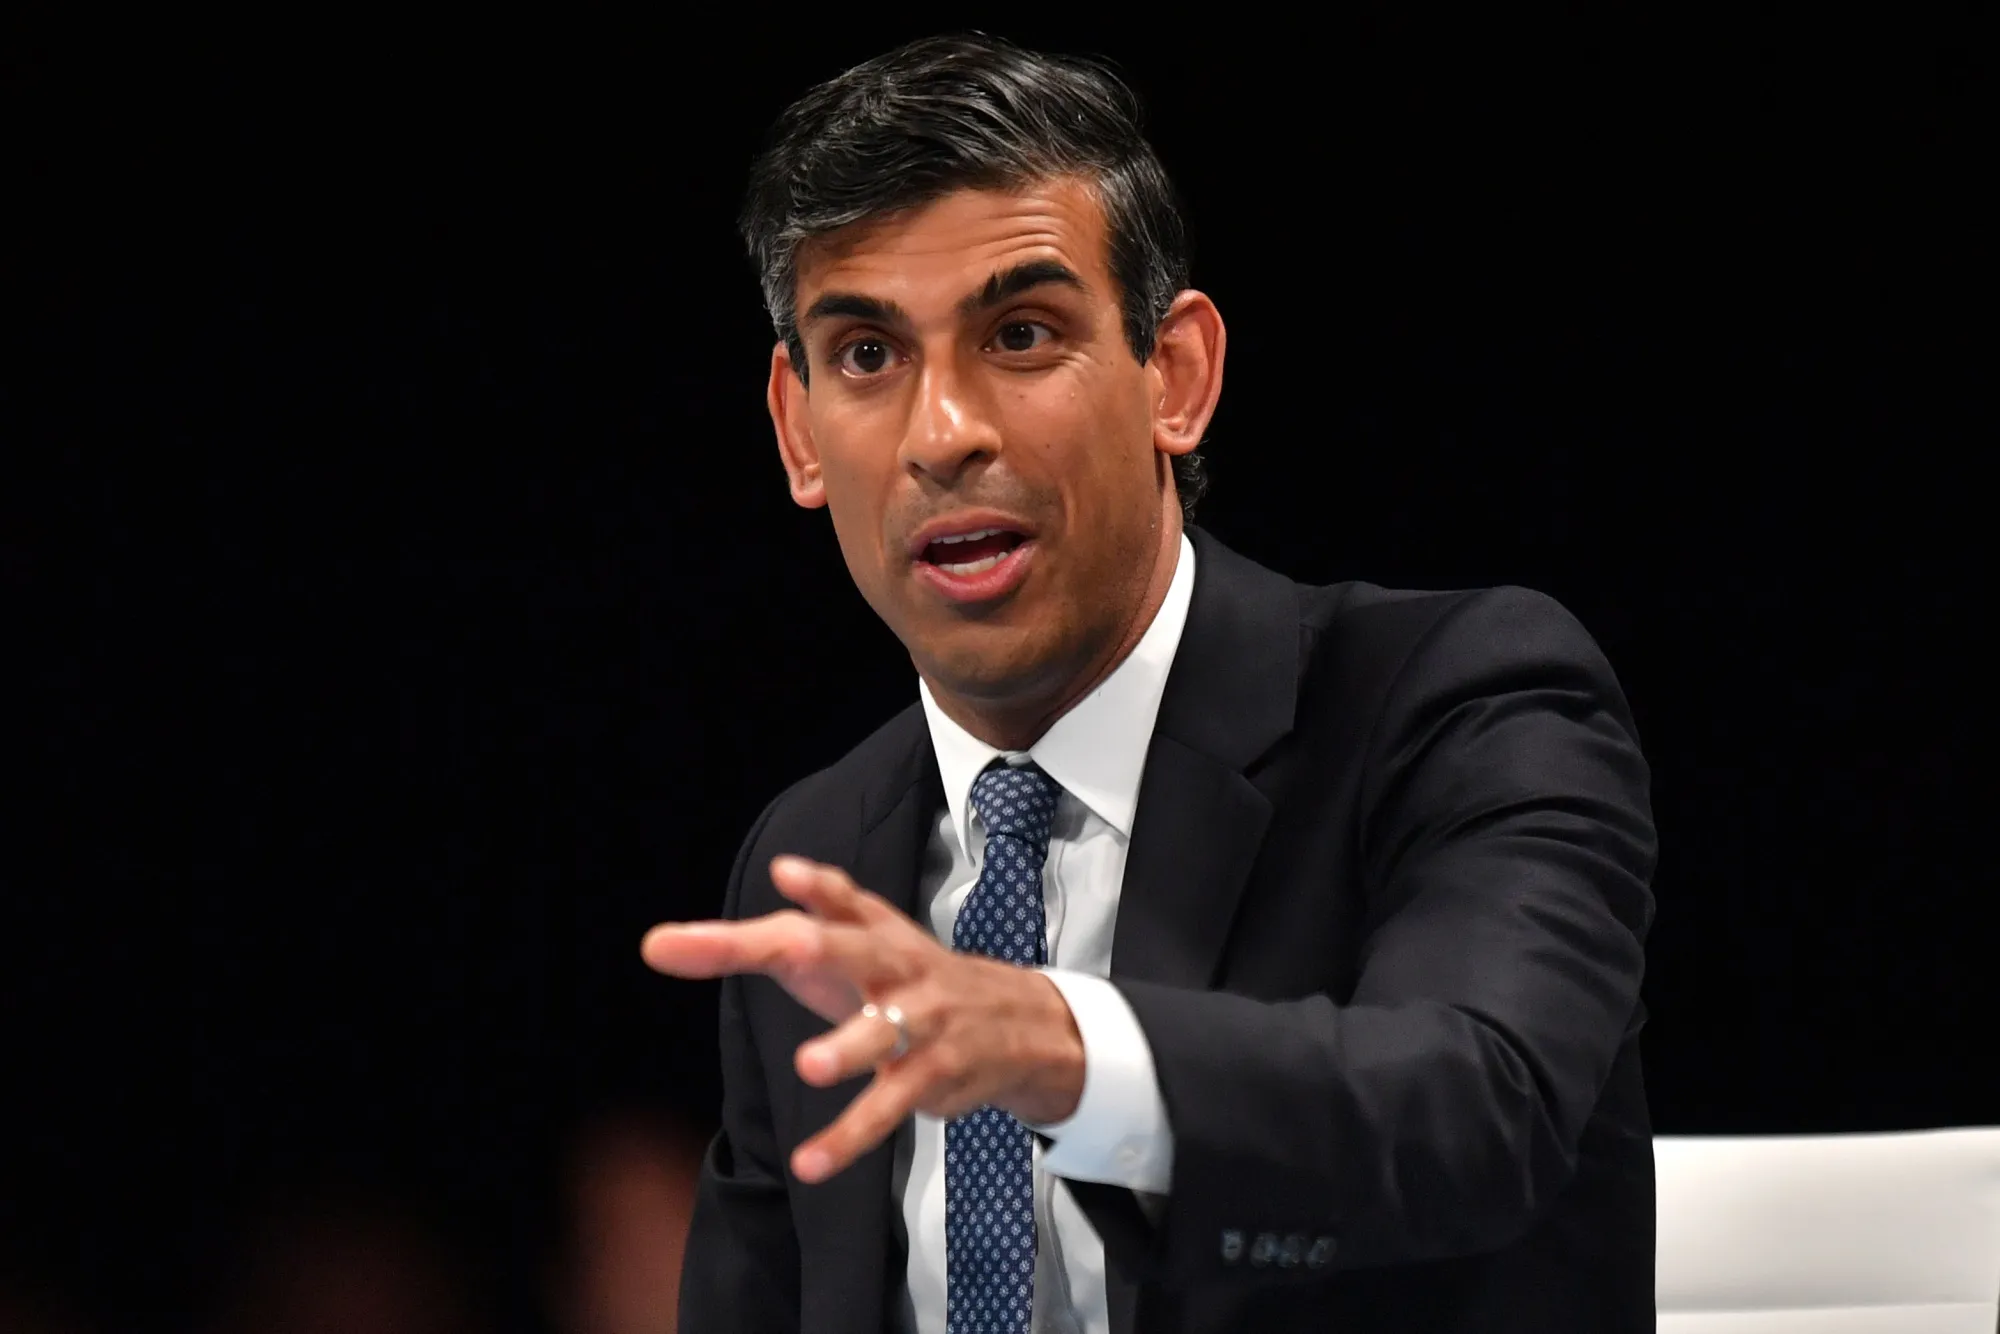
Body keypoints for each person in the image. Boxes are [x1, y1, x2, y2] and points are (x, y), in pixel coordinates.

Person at [641, 32, 1656, 1334]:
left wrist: (1062, 1050)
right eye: (868, 356)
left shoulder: (1461, 705)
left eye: (1021, 334)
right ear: (797, 429)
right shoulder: (815, 855)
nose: (944, 434)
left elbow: (1476, 1106)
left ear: (1175, 375)